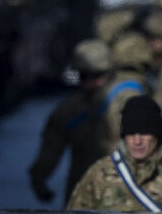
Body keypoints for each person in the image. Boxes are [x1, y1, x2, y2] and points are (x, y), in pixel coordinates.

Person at [31, 38, 146, 204]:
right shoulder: (70, 108)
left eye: (97, 75)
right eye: (85, 76)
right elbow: (51, 146)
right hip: (85, 189)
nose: (91, 82)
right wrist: (39, 178)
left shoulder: (127, 100)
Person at [68, 95, 162, 211]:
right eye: (131, 133)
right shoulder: (99, 174)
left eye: (145, 133)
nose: (137, 141)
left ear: (157, 135)